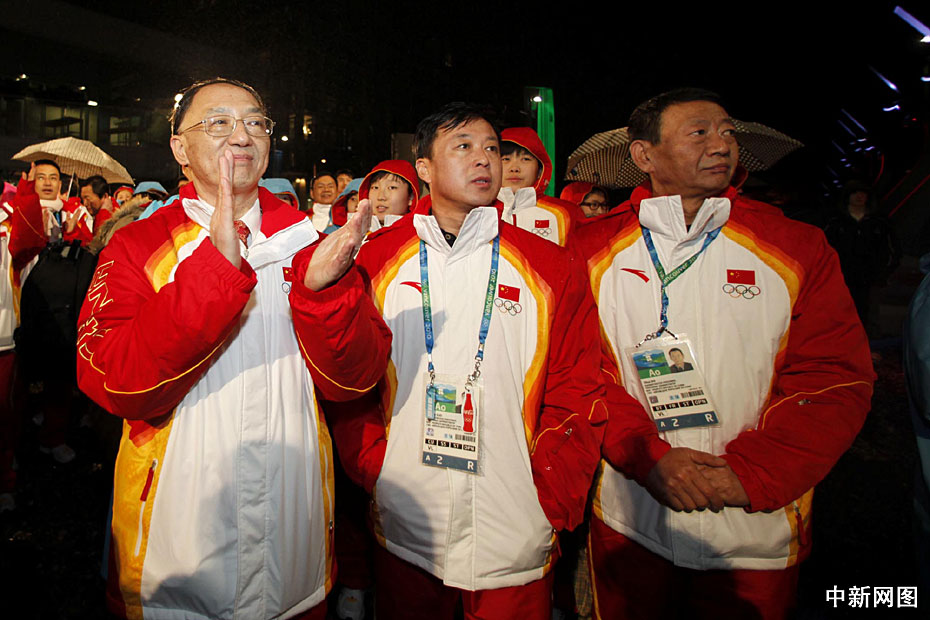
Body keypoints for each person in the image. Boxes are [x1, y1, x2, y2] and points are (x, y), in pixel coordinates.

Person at [291, 102, 633, 620]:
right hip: (407, 523)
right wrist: (377, 468)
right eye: (464, 146)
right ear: (424, 169)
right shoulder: (375, 257)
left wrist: (549, 493)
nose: (484, 159)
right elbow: (350, 387)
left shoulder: (551, 263)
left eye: (492, 148)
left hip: (516, 530)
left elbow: (577, 386)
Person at [75, 76, 386, 620]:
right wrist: (214, 272)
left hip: (294, 543)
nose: (241, 135)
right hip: (176, 548)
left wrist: (326, 294)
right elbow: (114, 381)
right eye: (218, 122)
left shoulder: (309, 244)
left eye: (255, 122)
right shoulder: (139, 244)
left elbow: (355, 380)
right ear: (180, 148)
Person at [574, 88, 874, 619]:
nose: (721, 144)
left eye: (728, 132)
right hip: (632, 516)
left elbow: (834, 378)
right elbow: (583, 373)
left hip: (754, 529)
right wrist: (648, 458)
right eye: (699, 133)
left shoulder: (796, 246)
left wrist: (752, 473)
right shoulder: (591, 249)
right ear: (644, 155)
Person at [497, 127, 576, 245]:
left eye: (525, 159)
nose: (514, 168)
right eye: (506, 159)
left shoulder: (565, 214)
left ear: (540, 170)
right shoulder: (477, 211)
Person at [359, 159, 419, 227]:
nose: (381, 197)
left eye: (392, 187)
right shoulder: (356, 230)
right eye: (375, 187)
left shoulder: (421, 232)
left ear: (411, 197)